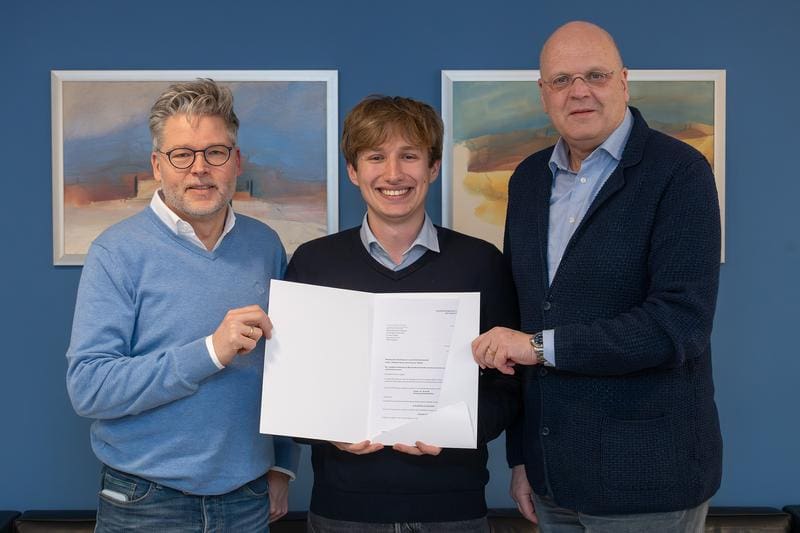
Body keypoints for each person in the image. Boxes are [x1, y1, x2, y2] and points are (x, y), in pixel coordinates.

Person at [472, 21, 723, 532]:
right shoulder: (528, 179)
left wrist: (540, 346)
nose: (579, 91)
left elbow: (678, 325)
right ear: (543, 94)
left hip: (649, 480)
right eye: (561, 80)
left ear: (624, 81)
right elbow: (523, 316)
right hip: (552, 480)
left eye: (595, 74)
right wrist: (520, 459)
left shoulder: (680, 173)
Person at [66, 79, 300, 532]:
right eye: (182, 154)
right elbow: (89, 386)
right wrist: (209, 352)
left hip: (247, 497)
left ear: (236, 162)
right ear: (158, 165)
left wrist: (282, 464)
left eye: (215, 152)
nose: (200, 169)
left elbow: (283, 364)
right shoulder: (116, 253)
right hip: (144, 500)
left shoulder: (265, 245)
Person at [285, 95, 520, 532]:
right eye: (376, 157)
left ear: (432, 168)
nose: (393, 174)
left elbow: (509, 388)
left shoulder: (481, 263)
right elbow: (292, 388)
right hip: (344, 511)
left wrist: (457, 429)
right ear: (354, 171)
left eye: (409, 156)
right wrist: (325, 428)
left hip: (453, 509)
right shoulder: (313, 263)